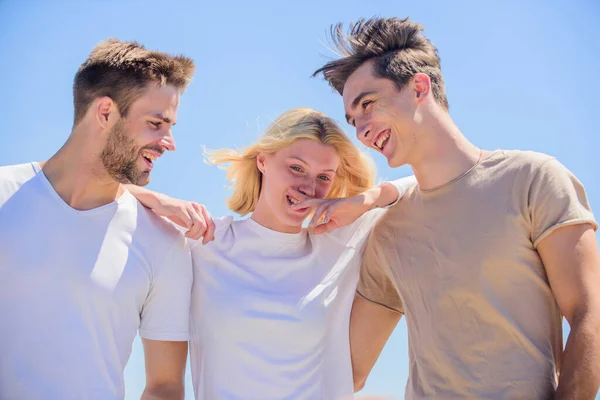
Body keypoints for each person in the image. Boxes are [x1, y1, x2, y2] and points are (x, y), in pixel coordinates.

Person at [312, 17, 600, 399]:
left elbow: (589, 315)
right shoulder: (387, 232)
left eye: (368, 105)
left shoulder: (533, 179)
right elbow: (350, 369)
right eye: (352, 120)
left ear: (418, 87)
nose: (361, 129)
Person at [129, 107, 416, 399]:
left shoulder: (340, 242)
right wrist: (155, 198)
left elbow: (426, 187)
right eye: (296, 168)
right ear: (263, 161)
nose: (309, 187)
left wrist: (369, 198)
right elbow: (96, 190)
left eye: (324, 177)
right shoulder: (205, 242)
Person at [0, 39, 199, 399]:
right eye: (157, 123)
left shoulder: (164, 241)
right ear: (105, 112)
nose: (168, 142)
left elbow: (165, 386)